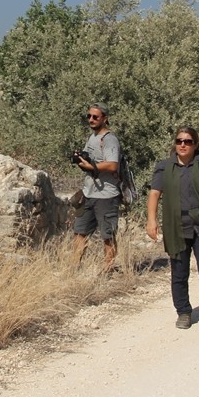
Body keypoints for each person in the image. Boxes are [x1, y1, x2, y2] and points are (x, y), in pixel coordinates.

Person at [146, 126, 199, 335]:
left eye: (188, 141)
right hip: (177, 226)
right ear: (175, 144)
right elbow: (155, 193)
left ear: (195, 144)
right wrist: (151, 220)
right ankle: (183, 311)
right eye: (179, 141)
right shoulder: (164, 167)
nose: (183, 145)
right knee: (179, 273)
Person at [72, 103, 122, 272]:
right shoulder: (92, 137)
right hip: (89, 193)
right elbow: (88, 160)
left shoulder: (109, 139)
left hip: (106, 195)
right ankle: (74, 268)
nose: (91, 120)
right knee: (80, 231)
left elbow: (113, 165)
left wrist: (92, 166)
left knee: (107, 235)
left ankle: (107, 270)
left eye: (95, 117)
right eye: (89, 116)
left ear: (105, 118)